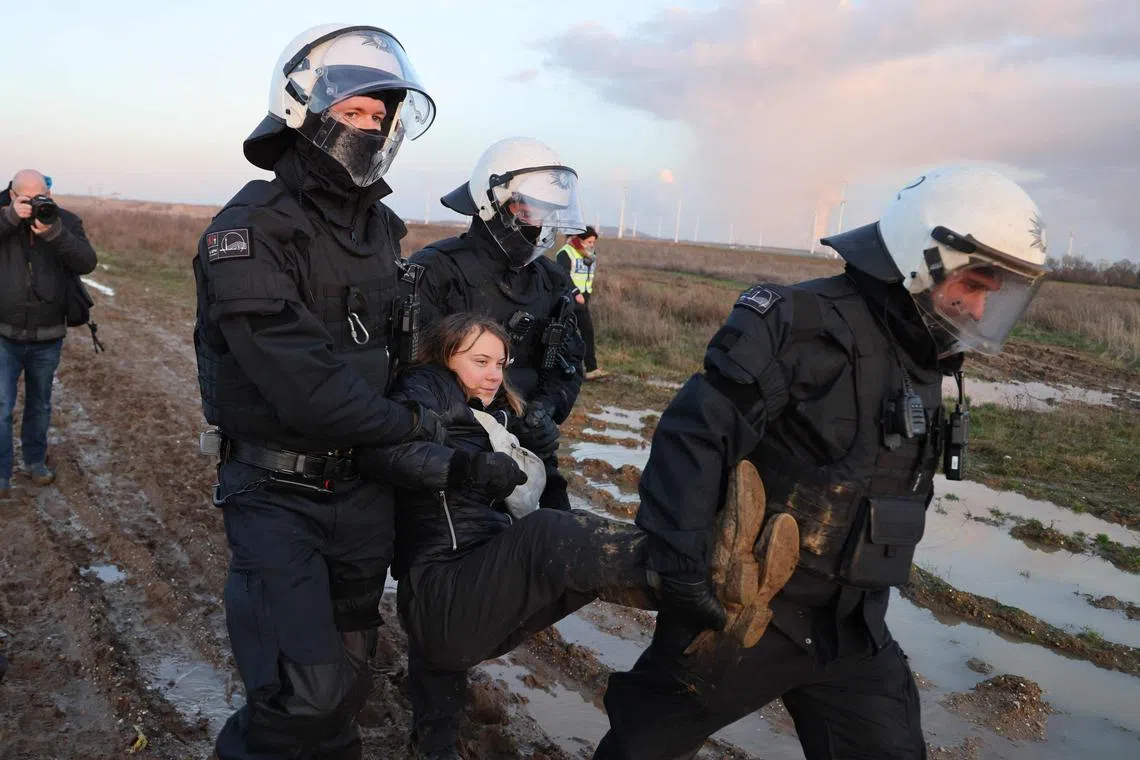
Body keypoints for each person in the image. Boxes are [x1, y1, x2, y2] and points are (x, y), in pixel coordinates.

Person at [593, 165, 1051, 759]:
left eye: (994, 294)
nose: (981, 311)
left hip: (853, 630)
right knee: (641, 746)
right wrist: (681, 570)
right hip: (749, 613)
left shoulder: (926, 356)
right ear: (925, 259)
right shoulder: (799, 322)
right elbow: (693, 438)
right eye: (975, 286)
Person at [192, 24, 448, 760]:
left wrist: (436, 399)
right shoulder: (249, 230)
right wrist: (414, 428)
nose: (370, 128)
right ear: (302, 110)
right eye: (354, 112)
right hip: (277, 497)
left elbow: (411, 349)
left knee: (346, 690)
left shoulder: (381, 230)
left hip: (363, 496)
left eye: (380, 116)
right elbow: (305, 384)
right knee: (296, 697)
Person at [357, 312, 764, 759]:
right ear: (444, 356)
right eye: (480, 361)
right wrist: (464, 468)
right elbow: (388, 451)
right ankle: (704, 566)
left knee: (571, 555)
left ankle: (711, 600)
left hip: (466, 608)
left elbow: (551, 511)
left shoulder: (495, 419)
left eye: (501, 362)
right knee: (548, 536)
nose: (495, 373)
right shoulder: (426, 386)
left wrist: (545, 459)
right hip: (443, 598)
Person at [410, 137, 587, 513]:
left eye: (549, 213)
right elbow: (413, 374)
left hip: (530, 455)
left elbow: (568, 365)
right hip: (457, 459)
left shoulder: (551, 280)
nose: (540, 224)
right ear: (496, 204)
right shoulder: (438, 269)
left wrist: (543, 412)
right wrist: (490, 421)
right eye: (530, 210)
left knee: (553, 553)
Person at [0, 170, 98, 498]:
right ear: (11, 195)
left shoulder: (64, 221)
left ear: (49, 195)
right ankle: (1, 473)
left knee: (39, 404)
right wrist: (10, 219)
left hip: (48, 333)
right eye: (23, 198)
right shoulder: (3, 218)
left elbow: (87, 262)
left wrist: (54, 233)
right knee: (1, 406)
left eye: (39, 196)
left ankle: (34, 461)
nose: (32, 203)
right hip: (3, 333)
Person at [556, 227, 607, 379]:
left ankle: (591, 369)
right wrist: (575, 292)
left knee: (587, 332)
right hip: (570, 298)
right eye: (589, 241)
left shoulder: (591, 254)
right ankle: (560, 367)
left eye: (594, 242)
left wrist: (586, 292)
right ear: (580, 239)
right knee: (564, 333)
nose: (592, 245)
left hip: (584, 298)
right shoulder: (565, 253)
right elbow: (563, 275)